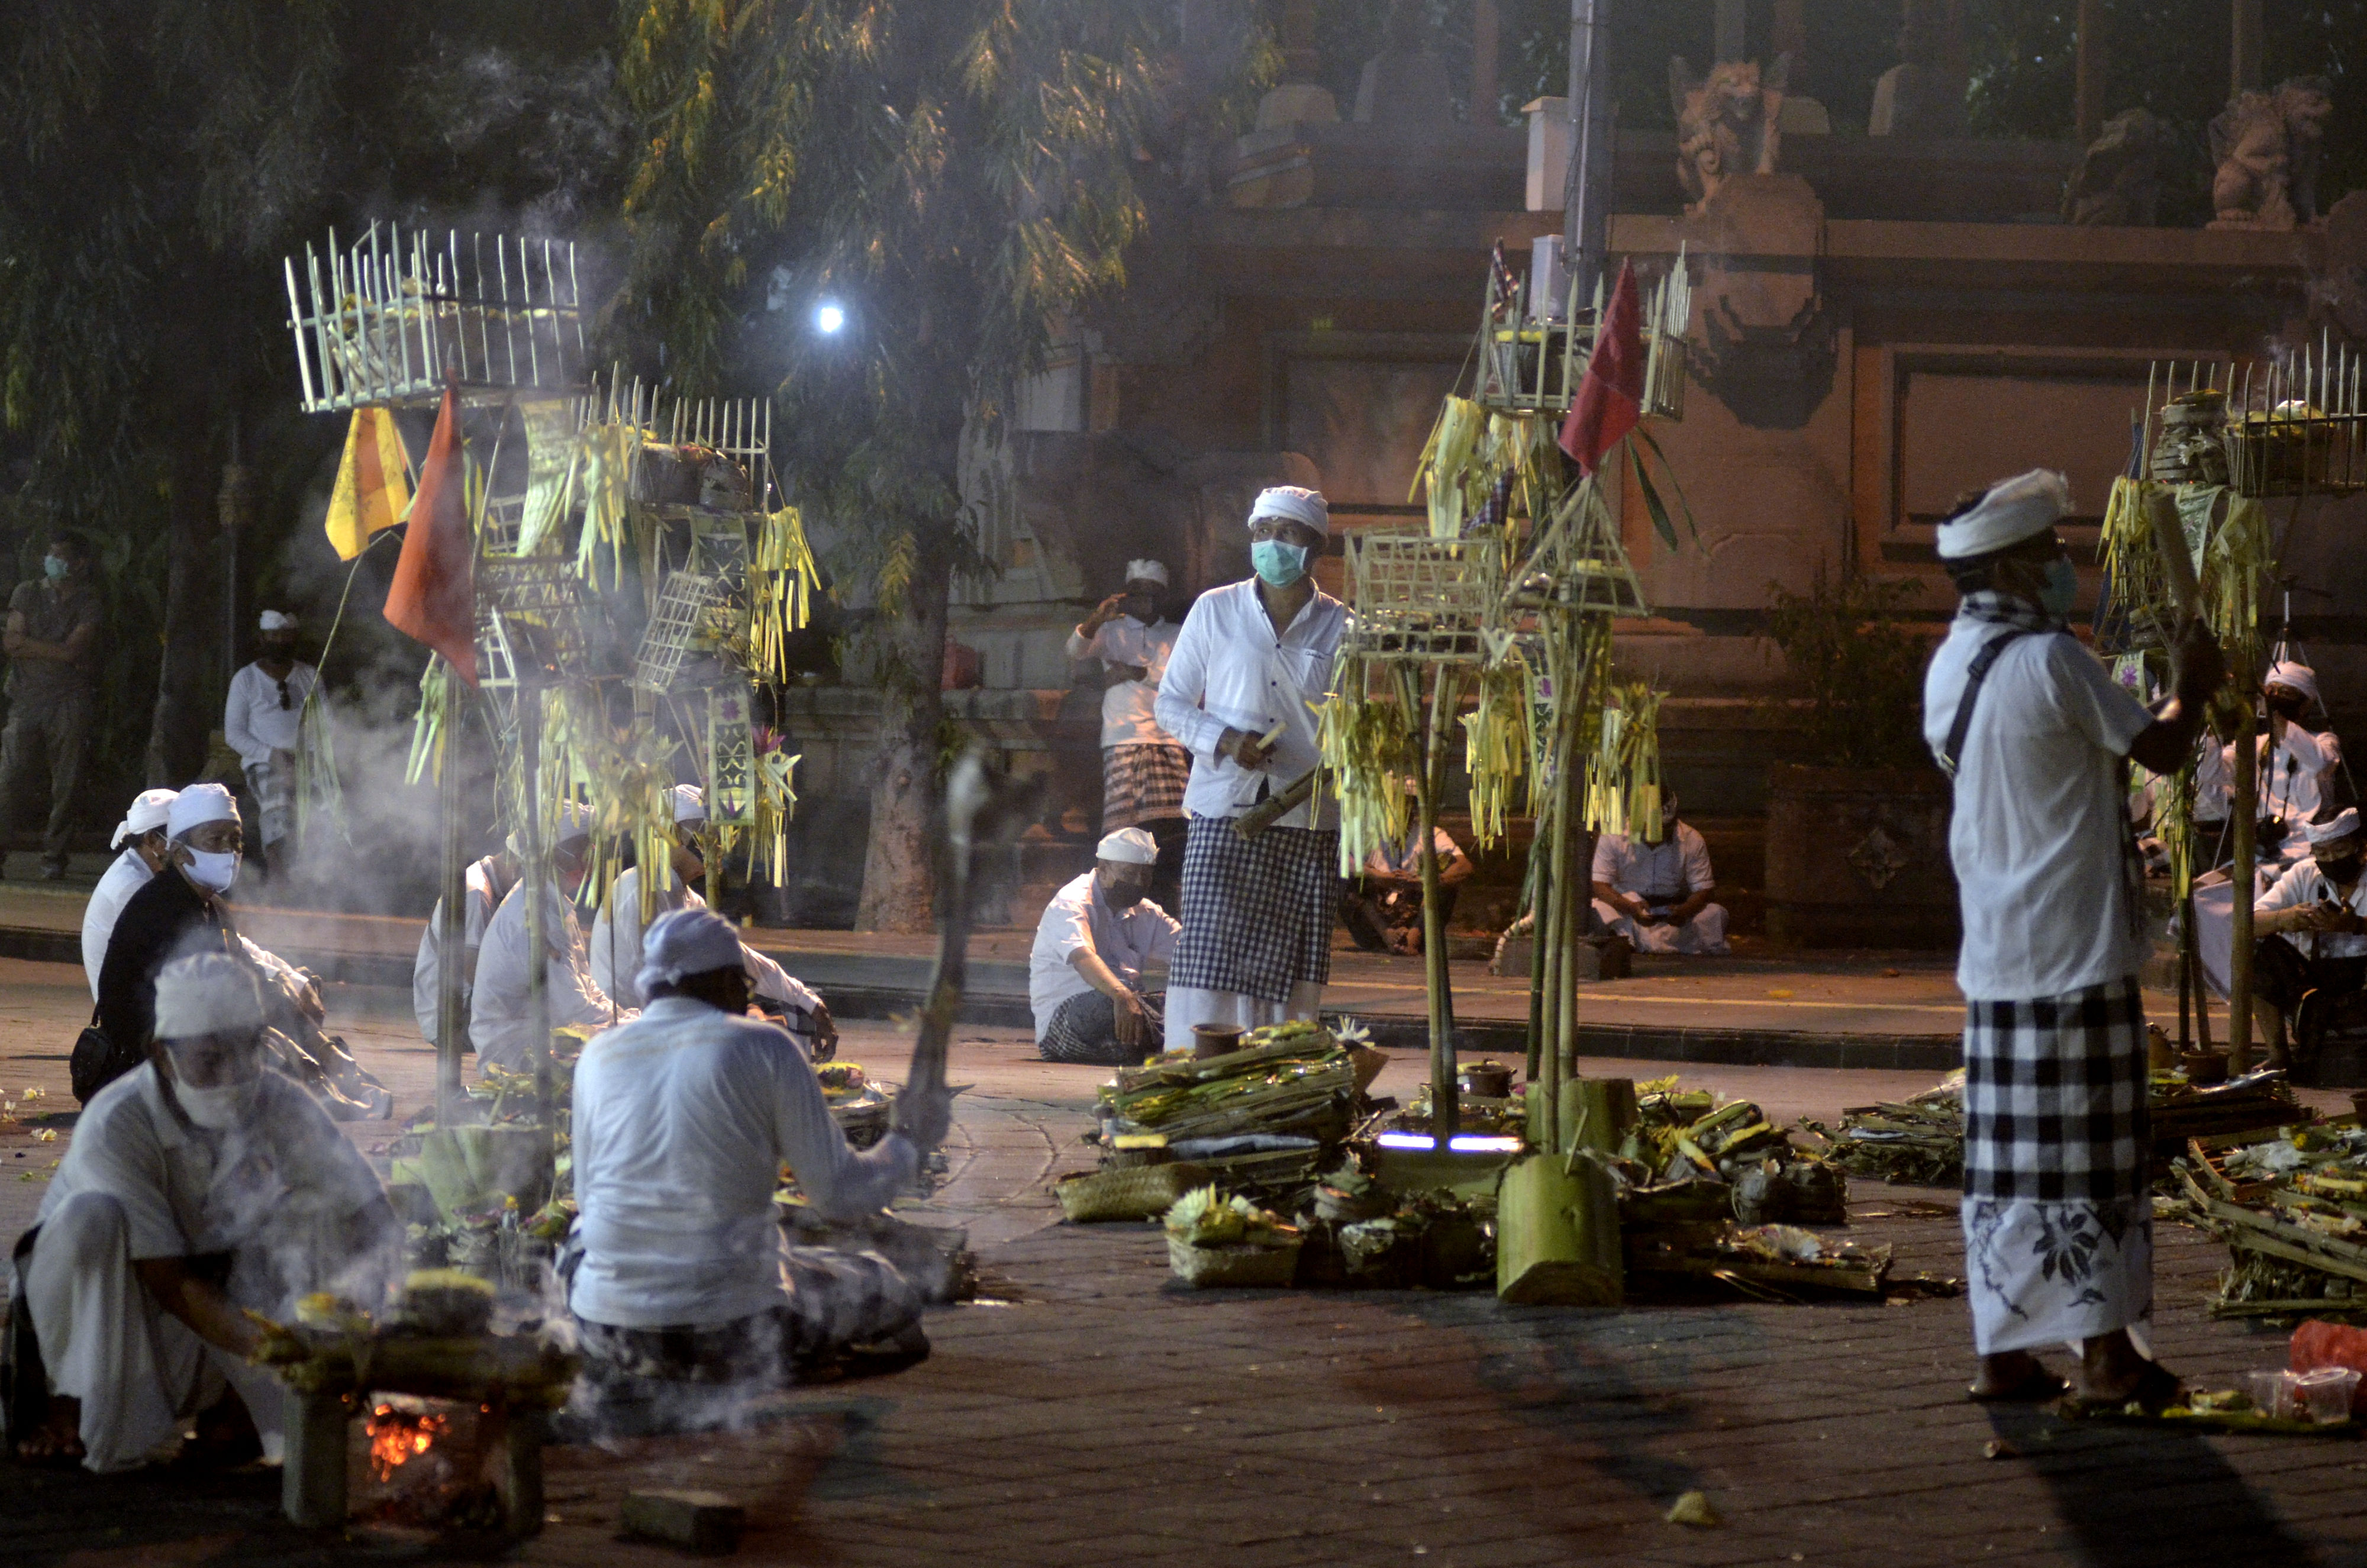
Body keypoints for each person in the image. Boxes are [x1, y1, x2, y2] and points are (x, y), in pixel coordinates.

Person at [1923, 467, 2221, 1409]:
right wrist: (2193, 686)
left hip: (1997, 952)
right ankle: (2105, 1358)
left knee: (2011, 1163)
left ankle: (2003, 1353)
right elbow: (2159, 748)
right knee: (2090, 1156)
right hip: (2074, 949)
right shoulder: (2052, 660)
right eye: (2049, 552)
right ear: (2010, 568)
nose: (2063, 565)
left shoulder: (1950, 664)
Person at [9, 953, 398, 1470]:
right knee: (93, 1219)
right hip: (107, 1309)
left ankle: (232, 1409)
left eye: (247, 1052)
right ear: (162, 1055)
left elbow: (368, 1210)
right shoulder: (118, 1123)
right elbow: (169, 1281)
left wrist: (389, 1309)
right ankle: (69, 1403)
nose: (233, 1075)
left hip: (203, 1304)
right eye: (211, 1059)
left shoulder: (280, 1101)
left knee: (308, 1213)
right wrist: (276, 1350)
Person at [568, 908, 934, 1398]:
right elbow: (840, 1195)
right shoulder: (766, 1046)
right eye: (744, 985)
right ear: (723, 982)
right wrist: (908, 1141)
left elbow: (587, 1200)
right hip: (734, 1331)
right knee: (884, 1283)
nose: (747, 998)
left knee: (575, 1246)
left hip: (606, 1327)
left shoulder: (598, 1055)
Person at [1154, 486, 1347, 1054]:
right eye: (1263, 532)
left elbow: (1357, 721)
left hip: (1306, 815)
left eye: (1287, 533)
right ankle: (1198, 1062)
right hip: (1224, 809)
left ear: (1316, 546)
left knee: (1291, 960)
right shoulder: (1215, 609)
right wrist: (1223, 738)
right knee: (1210, 951)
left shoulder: (1343, 626)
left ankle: (1276, 1066)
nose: (1272, 544)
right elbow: (1171, 704)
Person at [92, 783, 386, 1117]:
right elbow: (209, 1007)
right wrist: (293, 1052)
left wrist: (321, 1045)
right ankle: (312, 1096)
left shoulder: (212, 905)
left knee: (278, 1010)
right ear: (180, 853)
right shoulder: (163, 906)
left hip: (189, 1040)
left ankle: (329, 1083)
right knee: (263, 1051)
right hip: (140, 1063)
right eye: (214, 840)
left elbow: (254, 981)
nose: (229, 851)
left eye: (235, 840)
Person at [590, 785, 836, 1060]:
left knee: (782, 1020)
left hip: (666, 1020)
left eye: (719, 836)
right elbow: (658, 977)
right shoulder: (642, 887)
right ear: (674, 834)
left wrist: (805, 999)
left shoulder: (688, 897)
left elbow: (739, 957)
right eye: (706, 833)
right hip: (631, 1025)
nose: (717, 845)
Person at [1066, 560, 1189, 911]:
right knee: (1124, 827)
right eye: (1138, 593)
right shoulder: (1111, 631)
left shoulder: (1178, 634)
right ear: (1127, 596)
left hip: (1167, 739)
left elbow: (1186, 684)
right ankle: (1124, 901)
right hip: (1121, 738)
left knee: (1170, 826)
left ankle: (1166, 900)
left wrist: (1137, 674)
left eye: (1154, 594)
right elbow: (1074, 651)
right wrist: (1098, 617)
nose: (1146, 601)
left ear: (1164, 597)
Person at [471, 804, 630, 1073]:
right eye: (580, 848)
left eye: (591, 847)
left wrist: (625, 1017)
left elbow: (586, 986)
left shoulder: (554, 904)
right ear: (552, 853)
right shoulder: (535, 915)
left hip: (544, 1036)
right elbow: (574, 1010)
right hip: (515, 1051)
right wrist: (632, 1026)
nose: (589, 857)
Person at [1029, 827, 1181, 1064]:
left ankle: (1141, 1042)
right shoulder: (1071, 903)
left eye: (1146, 875)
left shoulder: (1147, 912)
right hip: (1069, 1020)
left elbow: (1188, 951)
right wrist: (1120, 994)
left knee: (1183, 1003)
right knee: (1106, 1006)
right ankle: (1154, 1040)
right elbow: (1083, 958)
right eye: (1129, 873)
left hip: (1130, 1008)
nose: (1139, 883)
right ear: (1103, 869)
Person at [2, 532, 102, 880]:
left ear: (80, 563)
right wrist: (59, 652)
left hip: (70, 701)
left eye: (61, 556)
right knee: (9, 777)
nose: (52, 561)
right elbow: (11, 642)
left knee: (67, 782)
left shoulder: (89, 600)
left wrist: (30, 645)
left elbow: (74, 649)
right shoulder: (27, 592)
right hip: (26, 699)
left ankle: (54, 857)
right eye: (51, 554)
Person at [2252, 808, 2367, 1060]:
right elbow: (2249, 923)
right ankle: (2279, 1058)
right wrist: (2284, 918)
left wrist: (2356, 925)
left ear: (2361, 848)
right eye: (2323, 853)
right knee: (2257, 951)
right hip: (2314, 979)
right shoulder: (2304, 874)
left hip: (2363, 978)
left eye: (2340, 850)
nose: (2332, 859)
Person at [223, 609, 320, 883]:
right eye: (273, 636)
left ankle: (318, 882)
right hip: (265, 764)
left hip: (308, 761)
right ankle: (280, 882)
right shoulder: (246, 679)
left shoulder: (309, 676)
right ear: (262, 639)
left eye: (286, 636)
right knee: (278, 806)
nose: (280, 642)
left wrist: (311, 757)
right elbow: (234, 735)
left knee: (327, 807)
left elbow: (326, 725)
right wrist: (273, 756)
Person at [411, 836, 521, 1052]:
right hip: (453, 1022)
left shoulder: (484, 882)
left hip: (459, 1011)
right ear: (517, 867)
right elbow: (475, 972)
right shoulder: (476, 893)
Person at [1589, 794, 1730, 956]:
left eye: (1663, 829)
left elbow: (1704, 890)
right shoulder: (1613, 835)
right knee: (1598, 909)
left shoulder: (1692, 838)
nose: (1656, 835)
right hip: (1627, 909)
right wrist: (1631, 908)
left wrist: (1685, 911)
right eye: (1649, 829)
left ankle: (1636, 942)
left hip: (1673, 916)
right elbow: (1600, 885)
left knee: (1714, 914)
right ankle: (1638, 941)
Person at [81, 788, 179, 998]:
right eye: (180, 838)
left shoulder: (141, 870)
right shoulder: (132, 884)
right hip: (127, 1004)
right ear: (152, 840)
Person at [2247, 660, 2345, 867]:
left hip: (2310, 855)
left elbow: (2319, 762)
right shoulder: (2257, 746)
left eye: (2286, 693)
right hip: (2264, 853)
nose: (2276, 698)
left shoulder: (2324, 742)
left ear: (2306, 704)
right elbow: (2211, 773)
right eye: (2273, 691)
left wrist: (2277, 717)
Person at [1341, 820, 1472, 956]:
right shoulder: (1367, 832)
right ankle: (1387, 935)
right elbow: (1341, 861)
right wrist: (1377, 876)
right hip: (1376, 921)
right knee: (1348, 879)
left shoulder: (1430, 833)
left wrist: (1422, 882)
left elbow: (1465, 866)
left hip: (1416, 910)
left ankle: (1414, 937)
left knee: (1447, 877)